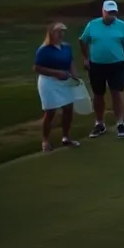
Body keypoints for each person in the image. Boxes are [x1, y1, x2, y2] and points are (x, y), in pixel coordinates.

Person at [79, 0, 124, 139]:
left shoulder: (122, 26)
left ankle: (120, 123)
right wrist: (85, 58)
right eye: (109, 13)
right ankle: (99, 123)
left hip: (117, 65)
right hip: (97, 65)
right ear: (103, 12)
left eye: (114, 13)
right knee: (98, 94)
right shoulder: (93, 25)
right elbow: (83, 40)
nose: (112, 16)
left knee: (117, 93)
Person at [34, 21, 80, 152]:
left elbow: (70, 62)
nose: (61, 34)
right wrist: (56, 73)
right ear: (51, 33)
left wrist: (75, 75)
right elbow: (37, 68)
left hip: (65, 81)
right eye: (58, 31)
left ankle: (66, 137)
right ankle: (45, 141)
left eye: (63, 31)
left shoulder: (67, 47)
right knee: (50, 112)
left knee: (68, 109)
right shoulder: (44, 50)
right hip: (49, 83)